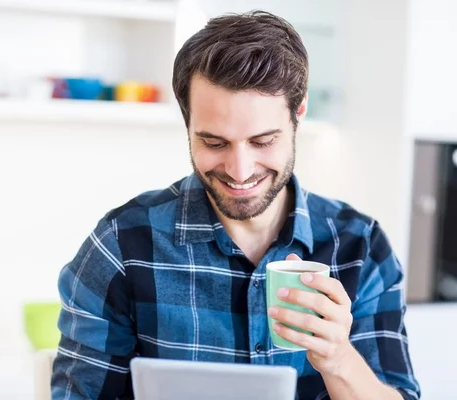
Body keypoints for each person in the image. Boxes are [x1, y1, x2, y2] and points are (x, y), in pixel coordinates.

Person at [50, 10, 420, 400]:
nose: (239, 171)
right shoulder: (121, 247)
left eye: (262, 142)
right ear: (187, 122)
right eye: (214, 143)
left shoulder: (359, 248)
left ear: (299, 114)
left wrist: (338, 360)